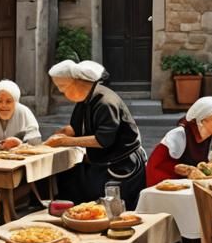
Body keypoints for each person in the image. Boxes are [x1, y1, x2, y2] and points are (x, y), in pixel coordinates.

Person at [45, 60, 146, 209]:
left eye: (62, 87)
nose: (61, 92)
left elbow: (102, 140)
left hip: (121, 164)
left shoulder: (105, 102)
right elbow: (76, 127)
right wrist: (62, 133)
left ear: (77, 83)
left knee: (108, 207)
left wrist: (64, 141)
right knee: (68, 182)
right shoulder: (86, 99)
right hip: (102, 159)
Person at [146, 97, 212, 186]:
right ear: (202, 120)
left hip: (203, 182)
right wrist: (188, 171)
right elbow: (159, 166)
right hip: (174, 182)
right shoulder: (180, 135)